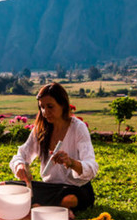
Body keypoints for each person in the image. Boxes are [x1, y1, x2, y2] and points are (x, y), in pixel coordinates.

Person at [7, 82, 98, 210]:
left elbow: (92, 167)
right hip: (50, 188)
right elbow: (21, 154)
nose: (45, 112)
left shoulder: (78, 128)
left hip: (76, 188)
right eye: (42, 107)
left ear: (63, 105)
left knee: (69, 200)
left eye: (50, 106)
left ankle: (38, 205)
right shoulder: (40, 129)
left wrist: (71, 162)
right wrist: (19, 165)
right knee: (3, 186)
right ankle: (43, 206)